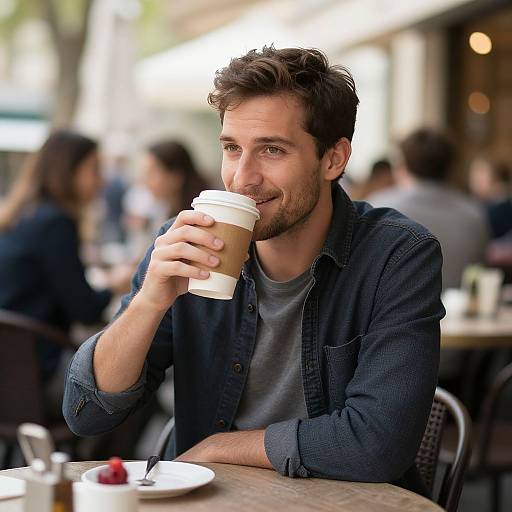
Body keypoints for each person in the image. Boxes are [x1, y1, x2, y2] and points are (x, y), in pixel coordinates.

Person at [63, 47, 444, 495]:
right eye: (231, 148)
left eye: (271, 150)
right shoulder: (184, 244)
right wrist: (151, 299)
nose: (243, 177)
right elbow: (87, 413)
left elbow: (379, 443)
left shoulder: (397, 257)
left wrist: (222, 447)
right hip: (211, 501)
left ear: (333, 160)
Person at [0, 130, 127, 382]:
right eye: (94, 169)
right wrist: (115, 284)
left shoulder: (24, 214)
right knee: (134, 388)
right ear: (68, 170)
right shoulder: (56, 223)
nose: (102, 181)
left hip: (11, 367)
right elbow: (86, 311)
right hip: (35, 372)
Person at [368, 129, 490, 290]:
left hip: (395, 311)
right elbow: (479, 270)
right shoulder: (474, 214)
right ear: (450, 166)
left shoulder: (377, 207)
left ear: (402, 166)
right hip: (458, 312)